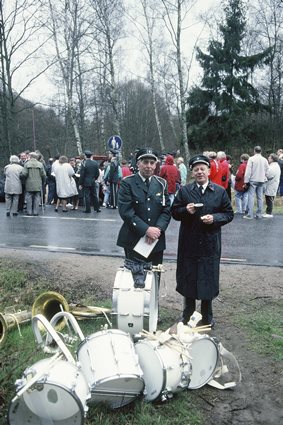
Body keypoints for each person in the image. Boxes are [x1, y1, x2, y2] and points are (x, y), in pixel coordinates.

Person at [171, 154, 234, 327]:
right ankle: (187, 315)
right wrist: (186, 210)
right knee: (189, 278)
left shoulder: (219, 191)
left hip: (210, 243)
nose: (199, 172)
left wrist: (214, 218)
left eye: (202, 169)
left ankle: (207, 317)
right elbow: (174, 212)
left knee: (208, 278)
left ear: (208, 170)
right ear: (192, 172)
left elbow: (229, 214)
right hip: (189, 243)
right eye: (196, 169)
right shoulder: (185, 191)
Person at [117, 147, 171, 271]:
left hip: (156, 239)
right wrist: (146, 229)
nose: (149, 166)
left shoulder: (161, 183)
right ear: (138, 164)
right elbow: (126, 212)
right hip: (134, 238)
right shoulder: (127, 183)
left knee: (154, 276)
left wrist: (157, 229)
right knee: (135, 279)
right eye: (145, 162)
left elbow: (166, 210)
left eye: (152, 163)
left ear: (156, 164)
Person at [243, 146, 269, 219]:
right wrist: (265, 177)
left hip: (253, 180)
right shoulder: (264, 159)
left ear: (254, 151)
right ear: (261, 151)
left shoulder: (251, 159)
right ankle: (259, 214)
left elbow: (248, 171)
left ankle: (249, 214)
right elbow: (267, 170)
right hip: (261, 180)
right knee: (260, 197)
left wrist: (246, 181)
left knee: (251, 197)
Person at [262, 153, 281, 218]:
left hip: (271, 184)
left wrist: (264, 174)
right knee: (269, 198)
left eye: (269, 158)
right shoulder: (274, 165)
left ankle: (269, 213)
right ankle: (268, 212)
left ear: (272, 159)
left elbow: (269, 175)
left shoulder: (273, 166)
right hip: (272, 184)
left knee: (269, 198)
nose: (268, 158)